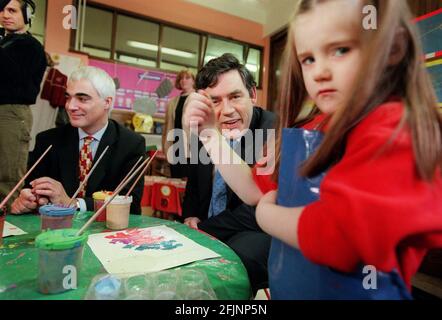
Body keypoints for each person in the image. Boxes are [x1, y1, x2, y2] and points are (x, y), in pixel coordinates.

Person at [252, 0, 442, 298]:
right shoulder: (315, 127)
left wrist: (266, 216)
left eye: (340, 50)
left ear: (392, 49)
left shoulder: (395, 129)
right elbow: (259, 186)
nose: (320, 73)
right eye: (308, 59)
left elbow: (339, 236)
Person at [181, 53, 276, 295]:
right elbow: (194, 181)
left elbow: (255, 209)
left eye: (235, 97)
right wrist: (191, 216)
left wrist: (203, 231)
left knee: (236, 258)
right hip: (210, 224)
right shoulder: (206, 125)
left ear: (252, 95)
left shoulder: (273, 129)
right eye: (215, 101)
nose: (227, 110)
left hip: (253, 231)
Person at [11, 66, 146, 215]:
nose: (70, 106)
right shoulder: (48, 140)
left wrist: (73, 203)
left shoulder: (131, 144)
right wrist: (29, 200)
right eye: (68, 97)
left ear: (107, 102)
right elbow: (32, 188)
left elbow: (129, 204)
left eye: (82, 99)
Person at [0, 0, 46, 209]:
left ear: (27, 14)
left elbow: (11, 72)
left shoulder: (30, 46)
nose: (5, 14)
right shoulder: (5, 42)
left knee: (8, 176)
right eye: (1, 10)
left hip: (11, 113)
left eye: (12, 10)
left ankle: (7, 230)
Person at [162, 69, 195, 179]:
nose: (183, 80)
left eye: (187, 77)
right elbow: (167, 125)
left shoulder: (198, 99)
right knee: (175, 179)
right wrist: (165, 146)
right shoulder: (172, 102)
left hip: (192, 148)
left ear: (194, 81)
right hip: (175, 146)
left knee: (189, 182)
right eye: (181, 78)